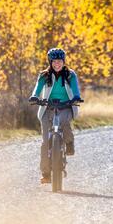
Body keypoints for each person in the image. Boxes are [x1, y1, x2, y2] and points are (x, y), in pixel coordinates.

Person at [29, 47, 82, 184]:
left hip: (66, 106)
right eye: (54, 62)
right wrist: (35, 96)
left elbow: (75, 87)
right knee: (45, 143)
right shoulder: (44, 75)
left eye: (59, 61)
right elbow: (37, 88)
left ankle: (69, 142)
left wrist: (76, 97)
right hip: (48, 107)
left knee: (64, 123)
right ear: (50, 62)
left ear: (63, 62)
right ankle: (46, 173)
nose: (57, 64)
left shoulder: (70, 75)